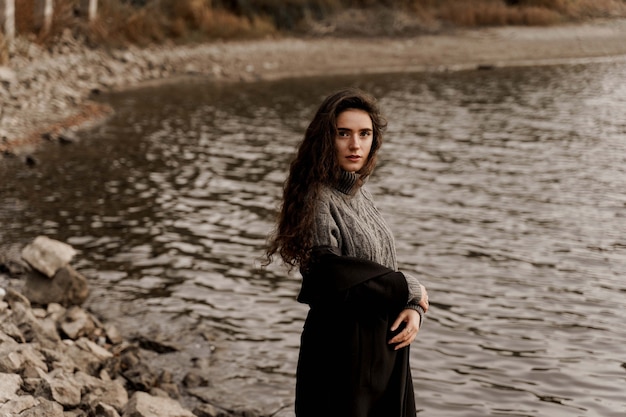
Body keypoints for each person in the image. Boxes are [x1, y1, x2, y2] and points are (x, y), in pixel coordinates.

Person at [264, 87, 429, 417]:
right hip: (342, 358)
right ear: (326, 138)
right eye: (344, 134)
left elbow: (378, 265)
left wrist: (412, 307)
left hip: (384, 352)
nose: (356, 145)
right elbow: (329, 275)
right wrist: (408, 287)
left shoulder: (358, 191)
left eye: (364, 134)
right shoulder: (316, 197)